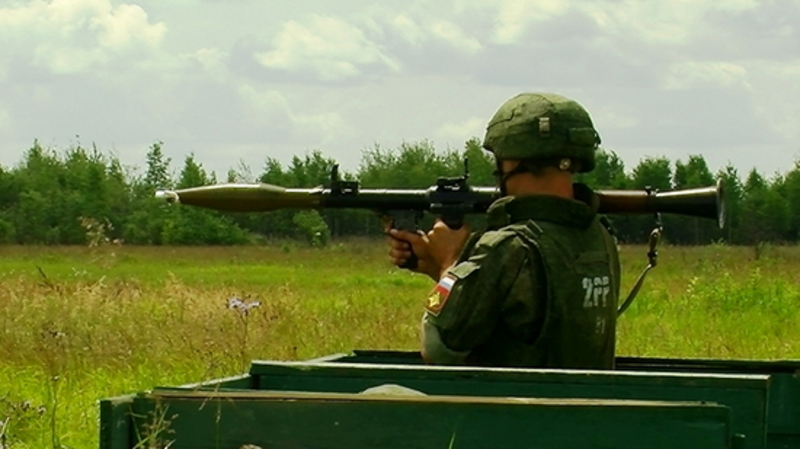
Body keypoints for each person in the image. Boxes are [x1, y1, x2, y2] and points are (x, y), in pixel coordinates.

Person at [388, 92, 621, 369]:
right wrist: (441, 269)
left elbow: (439, 348)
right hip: (586, 407)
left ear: (514, 161)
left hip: (517, 409)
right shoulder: (600, 237)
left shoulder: (509, 247)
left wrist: (450, 263)